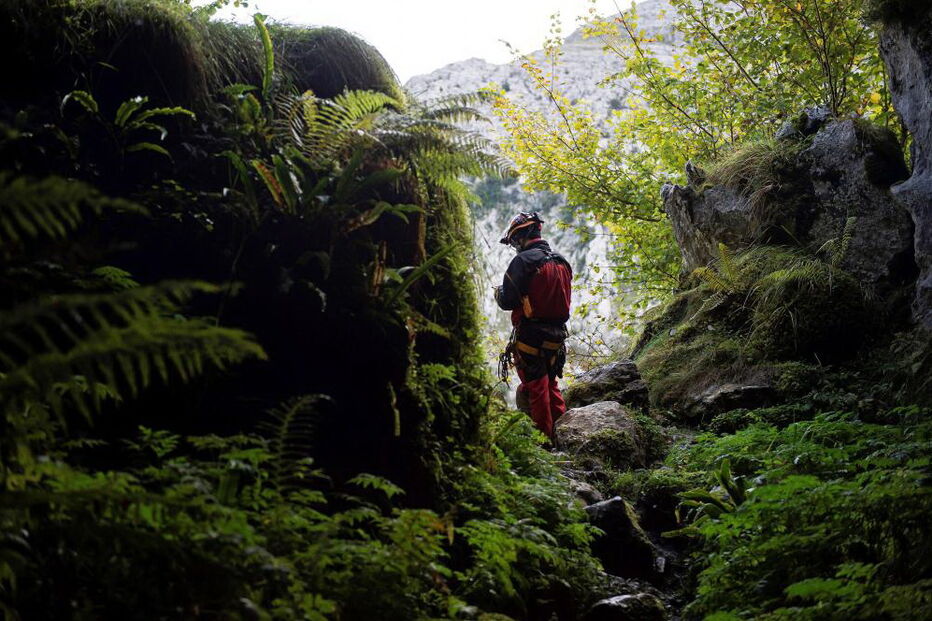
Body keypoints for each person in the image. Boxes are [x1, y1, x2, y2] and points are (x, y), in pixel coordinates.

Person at [494, 211, 572, 439]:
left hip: (531, 334)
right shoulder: (561, 261)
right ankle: (566, 435)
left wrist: (499, 293)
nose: (515, 245)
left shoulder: (522, 261)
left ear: (521, 237)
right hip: (557, 336)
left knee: (536, 388)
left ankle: (544, 445)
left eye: (515, 240)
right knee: (549, 384)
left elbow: (508, 300)